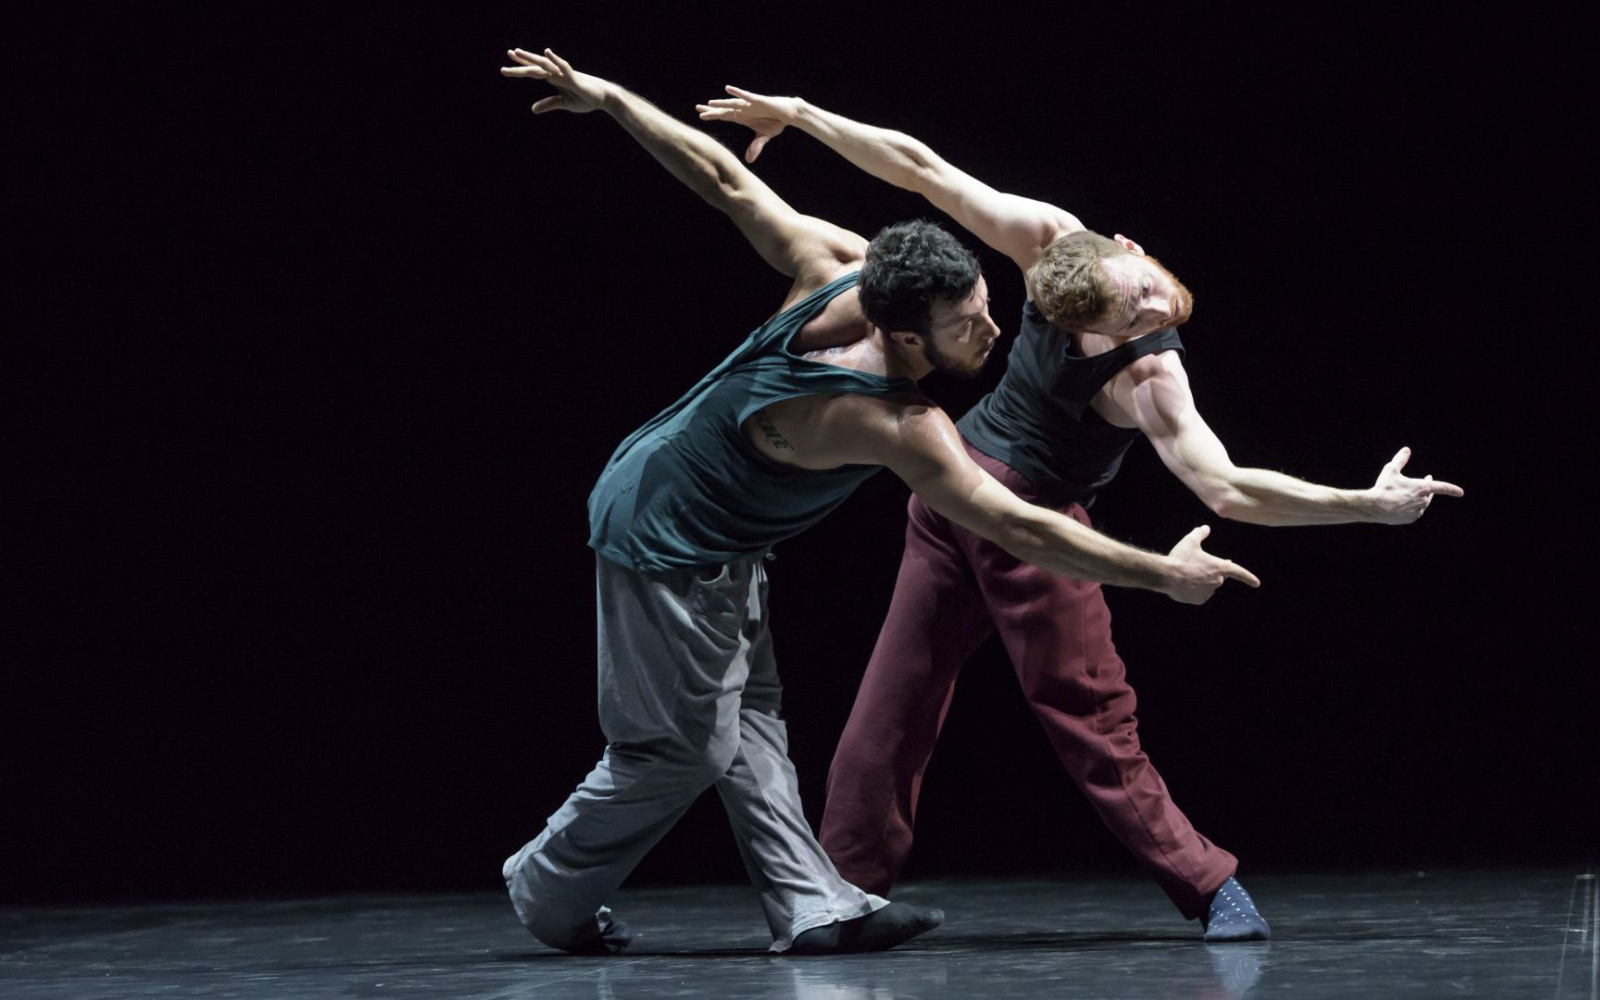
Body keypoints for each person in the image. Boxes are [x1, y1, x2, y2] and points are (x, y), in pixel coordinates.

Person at [497, 48, 1260, 956]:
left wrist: (611, 96)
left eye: (984, 303)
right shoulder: (898, 425)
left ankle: (815, 905)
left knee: (752, 726)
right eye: (967, 322)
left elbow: (723, 180)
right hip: (664, 536)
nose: (993, 326)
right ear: (903, 332)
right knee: (683, 752)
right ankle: (545, 891)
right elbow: (1017, 523)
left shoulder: (840, 262)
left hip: (715, 527)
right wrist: (1159, 575)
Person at [697, 86, 1463, 942]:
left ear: (1121, 246)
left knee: (898, 702)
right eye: (1124, 317)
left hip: (949, 488)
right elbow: (1228, 491)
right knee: (1082, 710)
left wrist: (801, 115)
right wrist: (1366, 507)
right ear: (1079, 314)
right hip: (1017, 516)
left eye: (1139, 293)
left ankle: (834, 889)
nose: (1150, 310)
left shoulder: (1059, 240)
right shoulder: (1147, 374)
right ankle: (1207, 889)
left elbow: (923, 170)